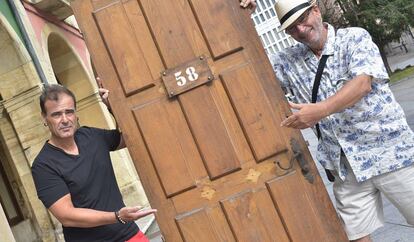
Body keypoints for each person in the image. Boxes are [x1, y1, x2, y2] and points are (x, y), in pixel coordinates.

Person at [270, 0, 414, 241]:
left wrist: (320, 110)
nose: (300, 31)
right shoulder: (287, 61)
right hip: (345, 167)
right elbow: (244, 66)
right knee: (355, 236)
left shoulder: (354, 38)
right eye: (292, 28)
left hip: (390, 153)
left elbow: (362, 84)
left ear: (316, 11)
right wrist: (244, 14)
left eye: (302, 21)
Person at [31, 84, 156, 242]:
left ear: (75, 113)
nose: (64, 120)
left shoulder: (90, 136)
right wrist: (116, 216)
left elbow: (128, 138)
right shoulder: (44, 165)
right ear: (44, 118)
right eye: (56, 115)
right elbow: (67, 216)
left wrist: (114, 107)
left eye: (69, 112)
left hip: (128, 234)